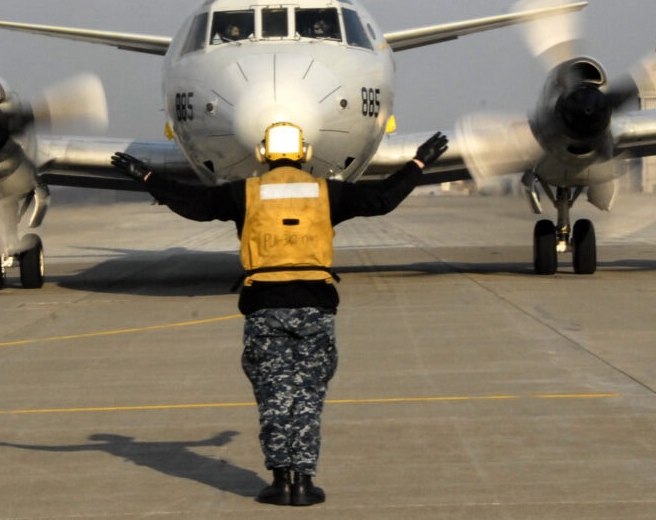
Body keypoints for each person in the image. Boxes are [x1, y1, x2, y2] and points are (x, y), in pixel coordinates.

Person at [111, 124, 448, 506]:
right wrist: (418, 163)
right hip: (315, 306)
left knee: (274, 394)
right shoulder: (326, 193)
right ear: (304, 153)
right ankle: (304, 483)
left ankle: (280, 480)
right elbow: (381, 198)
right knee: (308, 396)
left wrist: (149, 177)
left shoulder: (246, 193)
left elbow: (194, 204)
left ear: (263, 153)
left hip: (265, 306)